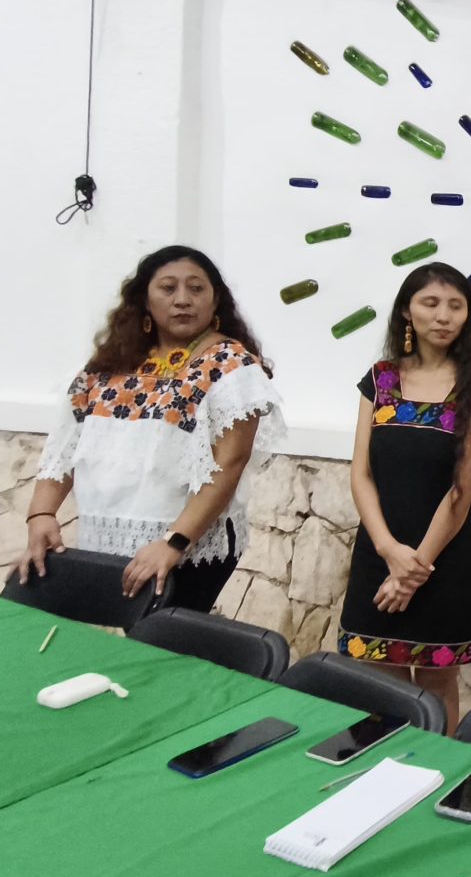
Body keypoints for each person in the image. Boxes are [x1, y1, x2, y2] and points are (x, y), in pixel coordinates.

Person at [18, 245, 283, 612]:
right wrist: (41, 514)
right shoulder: (107, 365)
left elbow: (230, 463)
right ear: (144, 300)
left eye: (196, 288)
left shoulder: (229, 364)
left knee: (158, 641)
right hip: (106, 539)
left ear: (215, 300)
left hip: (185, 547)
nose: (182, 299)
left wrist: (174, 543)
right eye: (168, 288)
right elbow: (65, 446)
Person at [343, 262, 471, 734]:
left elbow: (463, 489)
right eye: (430, 303)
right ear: (406, 312)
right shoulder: (381, 379)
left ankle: (436, 766)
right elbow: (361, 474)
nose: (443, 316)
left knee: (436, 680)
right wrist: (389, 551)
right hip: (380, 552)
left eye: (456, 306)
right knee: (381, 675)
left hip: (445, 560)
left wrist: (414, 571)